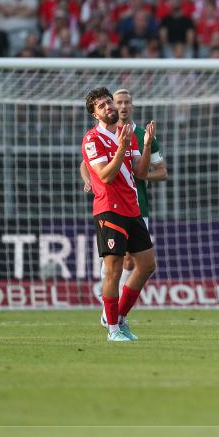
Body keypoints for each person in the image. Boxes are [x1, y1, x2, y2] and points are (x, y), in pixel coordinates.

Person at [80, 88, 169, 326]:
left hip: (133, 208)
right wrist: (121, 148)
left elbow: (140, 172)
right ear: (94, 115)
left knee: (147, 265)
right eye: (102, 105)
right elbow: (106, 176)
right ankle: (112, 326)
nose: (109, 107)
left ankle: (118, 317)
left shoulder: (126, 133)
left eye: (109, 102)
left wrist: (148, 146)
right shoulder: (92, 139)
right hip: (110, 208)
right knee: (114, 269)